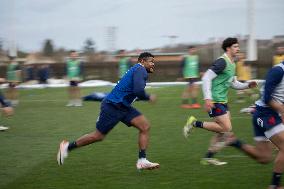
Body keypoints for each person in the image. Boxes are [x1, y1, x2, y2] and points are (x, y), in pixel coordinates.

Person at [57, 52, 160, 170]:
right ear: (142, 61)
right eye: (151, 61)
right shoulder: (140, 69)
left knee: (145, 126)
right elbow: (138, 91)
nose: (153, 64)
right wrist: (148, 97)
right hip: (113, 106)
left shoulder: (137, 69)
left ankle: (142, 160)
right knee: (98, 136)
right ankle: (67, 147)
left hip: (123, 106)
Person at [183, 38, 257, 165]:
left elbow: (233, 84)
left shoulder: (232, 63)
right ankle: (194, 123)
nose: (238, 49)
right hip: (215, 100)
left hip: (223, 101)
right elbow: (206, 78)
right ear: (228, 48)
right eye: (235, 46)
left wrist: (247, 85)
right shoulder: (222, 62)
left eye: (238, 46)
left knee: (222, 132)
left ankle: (208, 157)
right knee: (227, 128)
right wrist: (207, 98)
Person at [225, 61, 284, 189]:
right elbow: (266, 97)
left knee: (264, 158)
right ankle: (275, 185)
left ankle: (235, 142)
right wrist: (281, 109)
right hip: (266, 115)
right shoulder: (278, 71)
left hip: (267, 114)